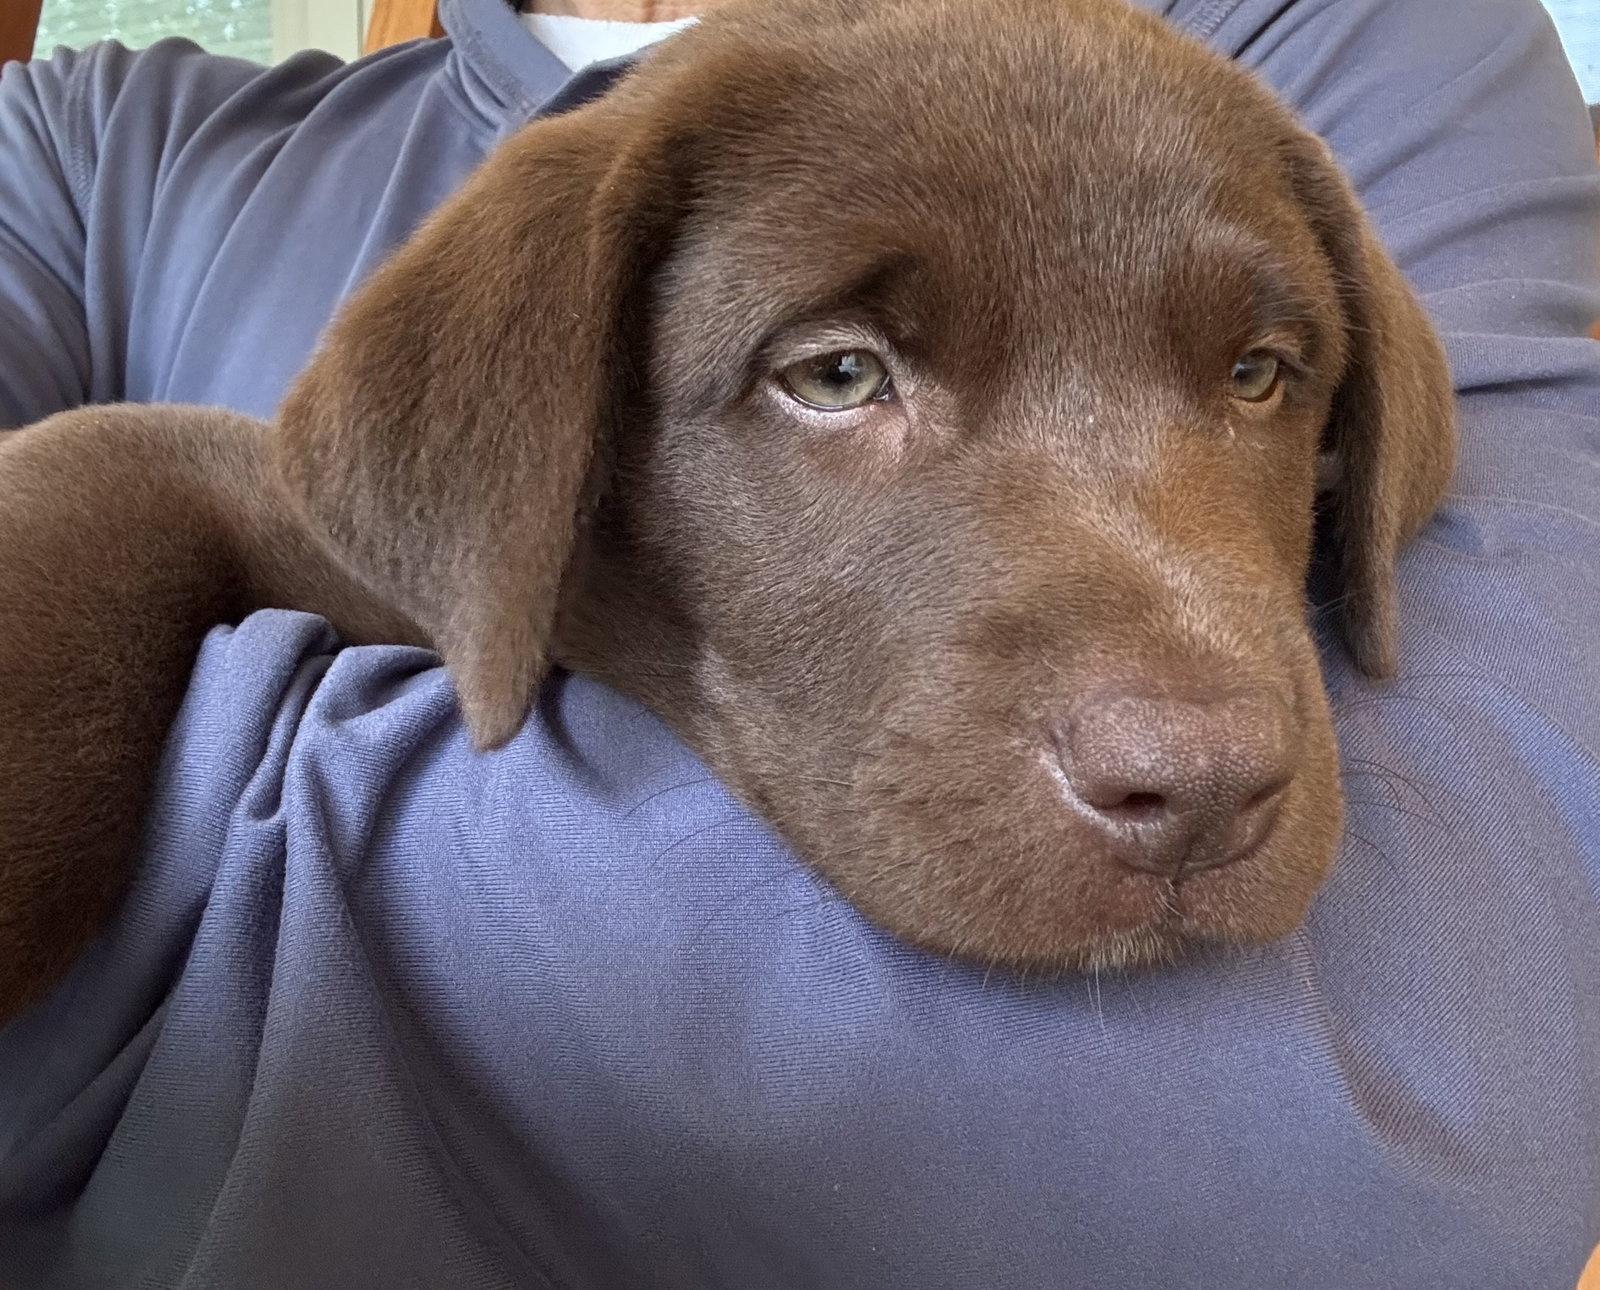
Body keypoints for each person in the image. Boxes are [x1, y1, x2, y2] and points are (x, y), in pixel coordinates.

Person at [1, 0, 1597, 1285]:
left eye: (1253, 376)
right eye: (840, 374)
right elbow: (183, 499)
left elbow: (1453, 1127)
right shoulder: (89, 147)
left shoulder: (1360, 30)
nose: (1196, 733)